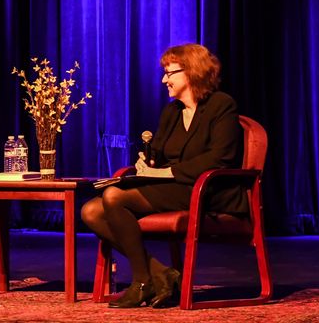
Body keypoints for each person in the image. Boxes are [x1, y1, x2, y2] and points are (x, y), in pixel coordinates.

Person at [81, 43, 247, 309]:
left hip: (206, 191)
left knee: (113, 197)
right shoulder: (172, 112)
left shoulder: (221, 105)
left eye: (169, 73)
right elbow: (158, 153)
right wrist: (146, 163)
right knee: (91, 211)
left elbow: (220, 158)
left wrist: (164, 171)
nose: (163, 80)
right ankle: (161, 274)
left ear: (191, 72)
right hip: (172, 187)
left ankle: (142, 282)